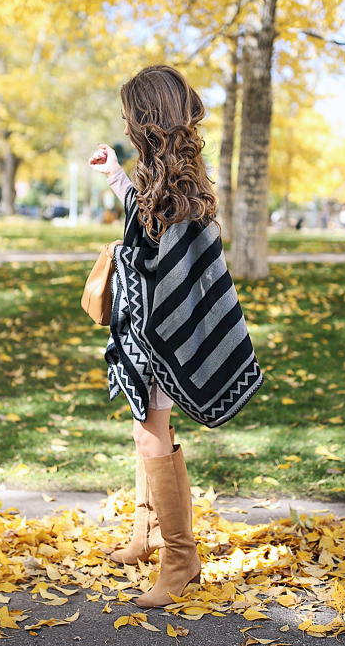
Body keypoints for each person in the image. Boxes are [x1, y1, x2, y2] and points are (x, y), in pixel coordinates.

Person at [88, 65, 263, 608]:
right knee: (147, 430)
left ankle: (180, 557)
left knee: (149, 435)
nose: (122, 123)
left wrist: (150, 311)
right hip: (146, 327)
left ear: (147, 118)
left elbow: (179, 267)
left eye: (128, 116)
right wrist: (118, 175)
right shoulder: (169, 175)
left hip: (161, 328)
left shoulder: (181, 186)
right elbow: (145, 219)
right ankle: (148, 537)